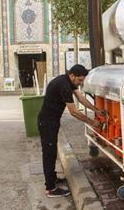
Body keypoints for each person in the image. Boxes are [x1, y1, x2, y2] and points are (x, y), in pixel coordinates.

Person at [38, 64, 106, 198]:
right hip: (47, 122)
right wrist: (92, 122)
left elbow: (80, 98)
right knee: (49, 153)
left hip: (52, 121)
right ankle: (50, 188)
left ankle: (52, 179)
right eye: (79, 80)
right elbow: (74, 112)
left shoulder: (67, 81)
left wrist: (96, 110)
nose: (80, 83)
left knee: (51, 151)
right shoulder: (63, 85)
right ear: (72, 75)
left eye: (82, 80)